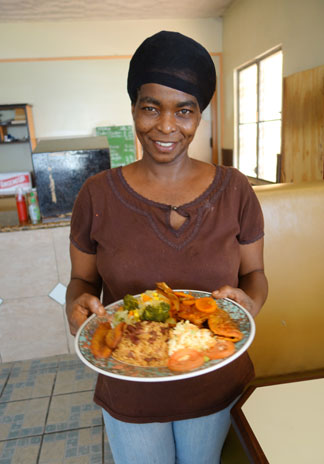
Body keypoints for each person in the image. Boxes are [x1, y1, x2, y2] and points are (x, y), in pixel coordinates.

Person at [66, 30, 268, 464]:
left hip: (211, 380)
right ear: (135, 109)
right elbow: (82, 278)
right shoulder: (96, 195)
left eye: (184, 110)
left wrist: (249, 302)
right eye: (151, 107)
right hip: (130, 382)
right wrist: (75, 303)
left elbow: (255, 274)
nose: (166, 126)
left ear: (200, 116)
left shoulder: (234, 190)